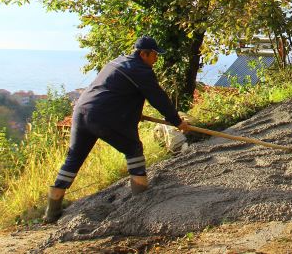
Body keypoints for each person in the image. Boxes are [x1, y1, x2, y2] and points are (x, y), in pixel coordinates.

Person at [43, 36, 189, 223]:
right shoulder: (141, 70)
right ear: (143, 54)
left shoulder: (117, 62)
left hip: (82, 112)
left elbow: (113, 93)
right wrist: (177, 121)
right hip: (103, 116)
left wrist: (135, 113)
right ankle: (141, 196)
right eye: (154, 55)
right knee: (133, 149)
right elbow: (158, 98)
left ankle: (51, 212)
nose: (156, 59)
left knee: (74, 159)